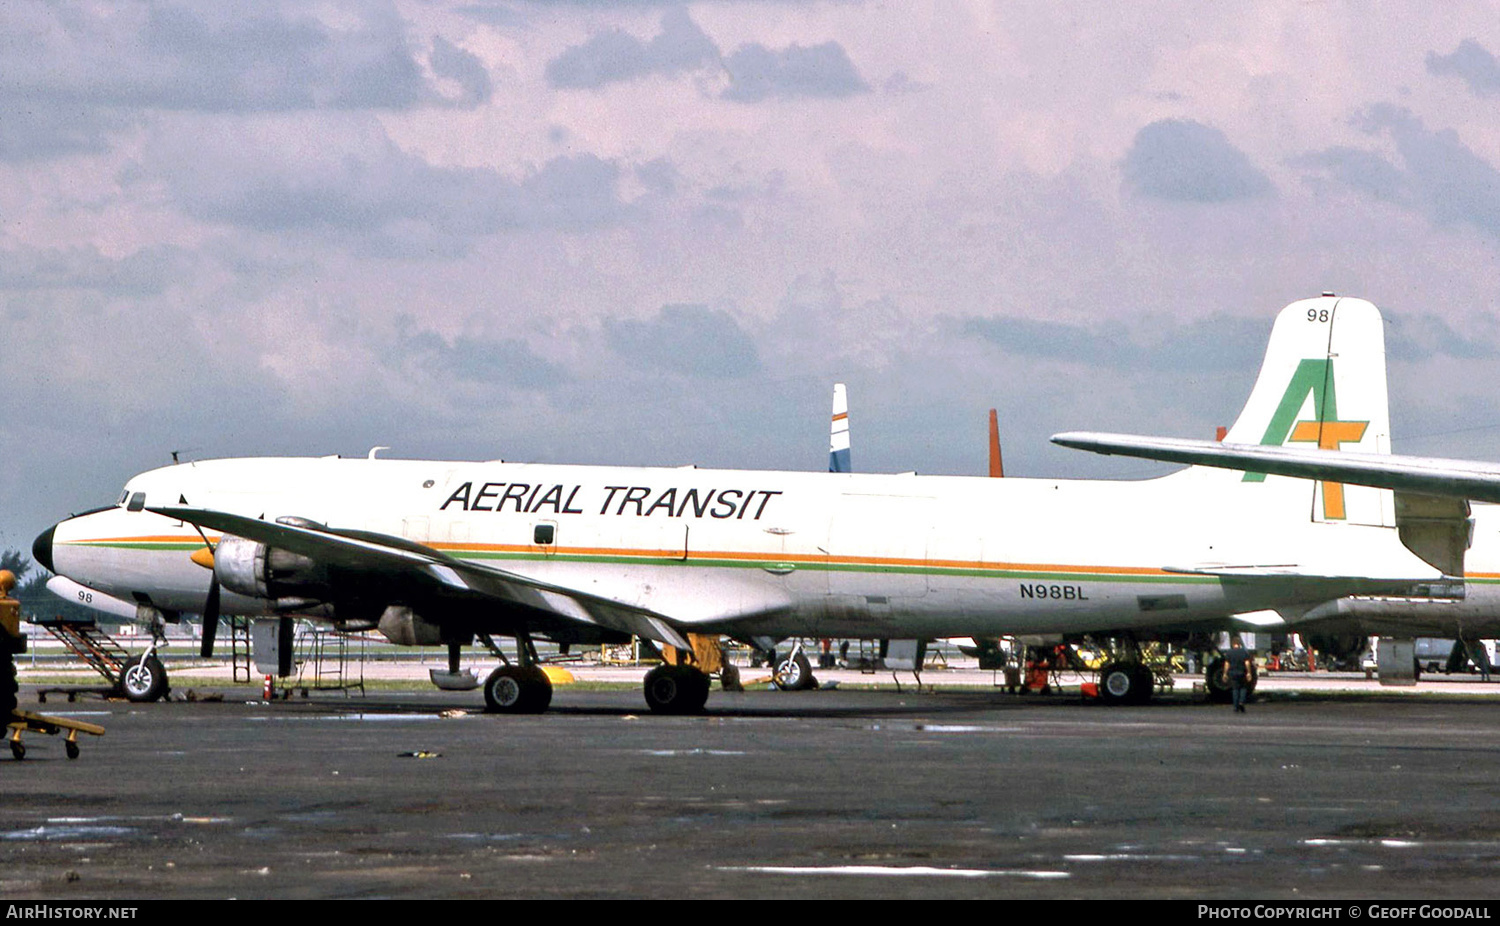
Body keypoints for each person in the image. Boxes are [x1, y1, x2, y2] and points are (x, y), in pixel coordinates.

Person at [1222, 635, 1254, 713]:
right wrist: (1249, 673)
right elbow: (1247, 663)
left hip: (1232, 673)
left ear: (1232, 644)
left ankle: (1235, 707)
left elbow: (1227, 664)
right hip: (1242, 672)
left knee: (1235, 689)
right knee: (1243, 688)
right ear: (1239, 644)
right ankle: (1241, 702)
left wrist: (1225, 673)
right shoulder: (1244, 652)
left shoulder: (1229, 652)